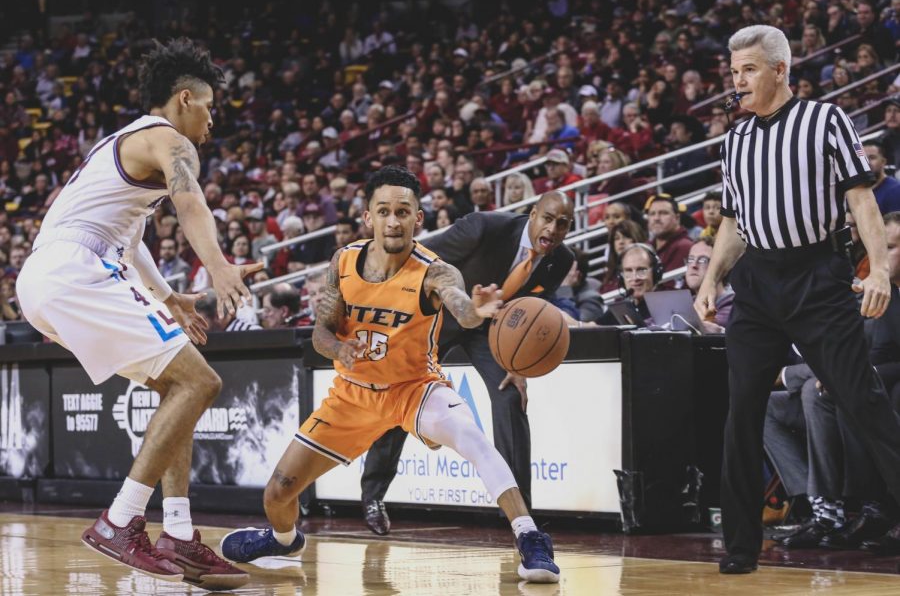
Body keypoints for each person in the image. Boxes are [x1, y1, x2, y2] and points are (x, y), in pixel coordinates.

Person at [220, 166, 561, 584]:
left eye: (403, 212)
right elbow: (321, 332)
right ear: (369, 217)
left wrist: (480, 309)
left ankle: (530, 537)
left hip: (413, 388)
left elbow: (462, 309)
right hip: (352, 394)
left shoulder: (435, 271)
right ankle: (284, 539)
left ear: (419, 218)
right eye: (384, 211)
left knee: (472, 437)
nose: (393, 220)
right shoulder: (343, 261)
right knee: (277, 491)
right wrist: (341, 348)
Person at [14, 38, 257, 590]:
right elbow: (190, 201)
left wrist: (168, 297)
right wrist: (217, 267)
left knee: (180, 387)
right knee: (201, 382)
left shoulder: (123, 144)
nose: (212, 118)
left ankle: (178, 532)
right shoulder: (168, 140)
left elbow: (133, 240)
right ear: (186, 98)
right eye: (211, 106)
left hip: (58, 273)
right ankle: (119, 520)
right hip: (76, 270)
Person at [694, 25, 900, 575]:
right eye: (734, 71)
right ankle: (740, 545)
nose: (737, 82)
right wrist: (713, 277)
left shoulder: (825, 120)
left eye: (749, 70)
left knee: (864, 400)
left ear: (780, 70)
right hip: (758, 282)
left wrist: (879, 268)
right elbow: (735, 222)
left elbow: (861, 202)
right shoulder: (735, 139)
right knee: (741, 413)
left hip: (817, 275)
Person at [360, 191, 575, 534]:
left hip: (490, 331)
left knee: (510, 396)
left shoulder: (560, 260)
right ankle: (373, 494)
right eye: (547, 218)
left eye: (562, 224)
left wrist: (518, 368)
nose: (553, 228)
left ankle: (521, 515)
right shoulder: (484, 227)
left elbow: (531, 311)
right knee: (399, 397)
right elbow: (420, 262)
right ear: (533, 214)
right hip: (437, 316)